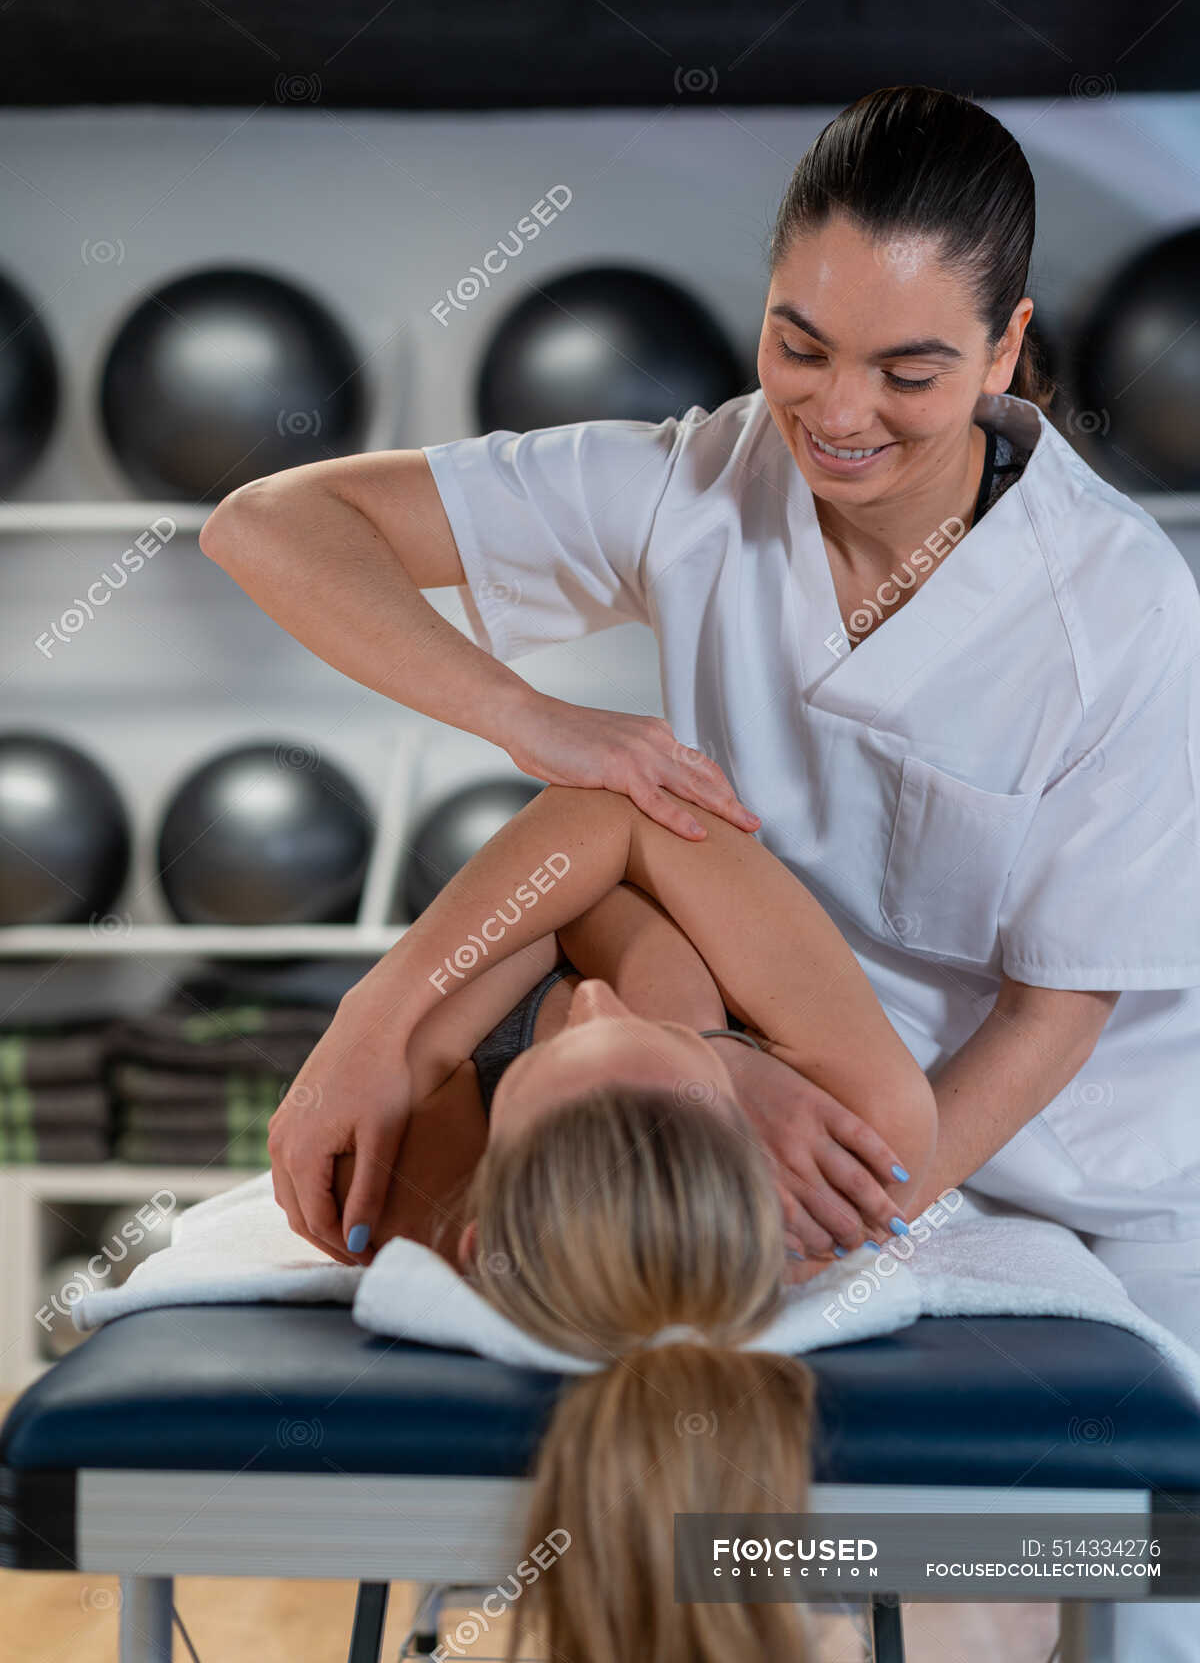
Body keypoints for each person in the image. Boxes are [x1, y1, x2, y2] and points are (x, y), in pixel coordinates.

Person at [200, 83, 1200, 1661]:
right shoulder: (696, 483)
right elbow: (271, 526)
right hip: (766, 1054)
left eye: (910, 369)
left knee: (1135, 1600)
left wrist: (849, 1195)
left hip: (1082, 1155)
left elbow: (1058, 1010)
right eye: (800, 342)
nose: (838, 410)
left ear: (1009, 352)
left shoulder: (1123, 617)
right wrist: (536, 726)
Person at [312, 778, 936, 1663]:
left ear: (480, 1241)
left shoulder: (410, 1178)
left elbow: (578, 886)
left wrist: (656, 1001)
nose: (597, 999)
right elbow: (601, 841)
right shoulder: (866, 1129)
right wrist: (690, 1025)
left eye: (560, 1049)